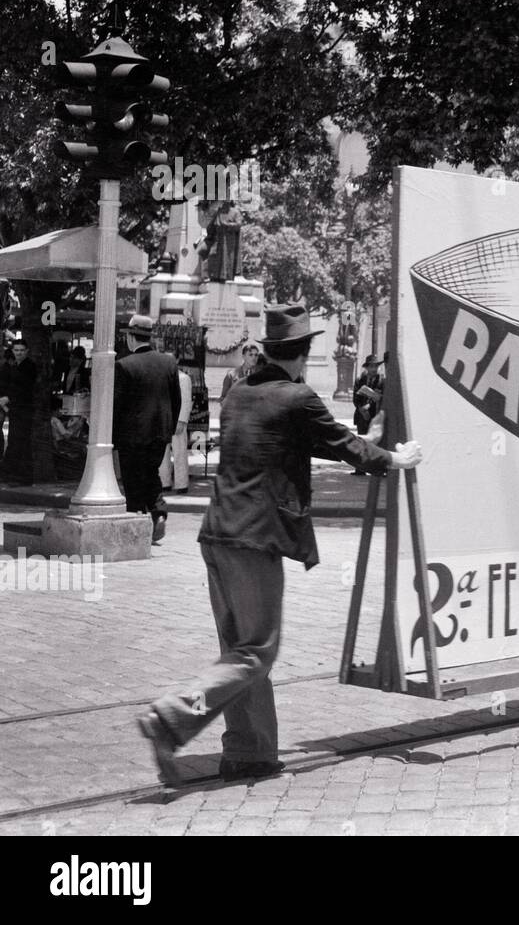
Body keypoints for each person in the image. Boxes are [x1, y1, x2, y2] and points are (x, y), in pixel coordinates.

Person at [136, 305, 422, 786]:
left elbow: (313, 440)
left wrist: (369, 441)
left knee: (239, 652)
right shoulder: (298, 398)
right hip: (254, 539)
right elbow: (342, 446)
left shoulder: (242, 396)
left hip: (217, 534)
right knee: (256, 655)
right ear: (303, 355)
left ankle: (249, 753)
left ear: (270, 350)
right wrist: (395, 457)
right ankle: (171, 718)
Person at [113, 315, 182, 544]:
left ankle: (137, 518)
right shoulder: (169, 363)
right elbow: (176, 400)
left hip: (132, 434)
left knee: (132, 477)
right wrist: (168, 429)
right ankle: (157, 511)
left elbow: (118, 404)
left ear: (132, 338)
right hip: (159, 433)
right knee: (151, 471)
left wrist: (113, 437)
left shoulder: (124, 365)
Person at [0, 340, 38, 485]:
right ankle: (14, 475)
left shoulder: (29, 366)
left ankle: (23, 477)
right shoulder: (14, 366)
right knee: (15, 440)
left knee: (21, 441)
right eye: (16, 350)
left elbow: (25, 387)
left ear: (27, 351)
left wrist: (8, 398)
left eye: (22, 350)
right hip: (16, 409)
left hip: (24, 409)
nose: (19, 353)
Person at [159, 367, 193, 493]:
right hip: (163, 419)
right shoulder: (161, 376)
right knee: (163, 452)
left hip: (177, 419)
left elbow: (186, 401)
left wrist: (182, 420)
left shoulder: (184, 378)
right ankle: (164, 482)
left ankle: (181, 483)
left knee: (179, 452)